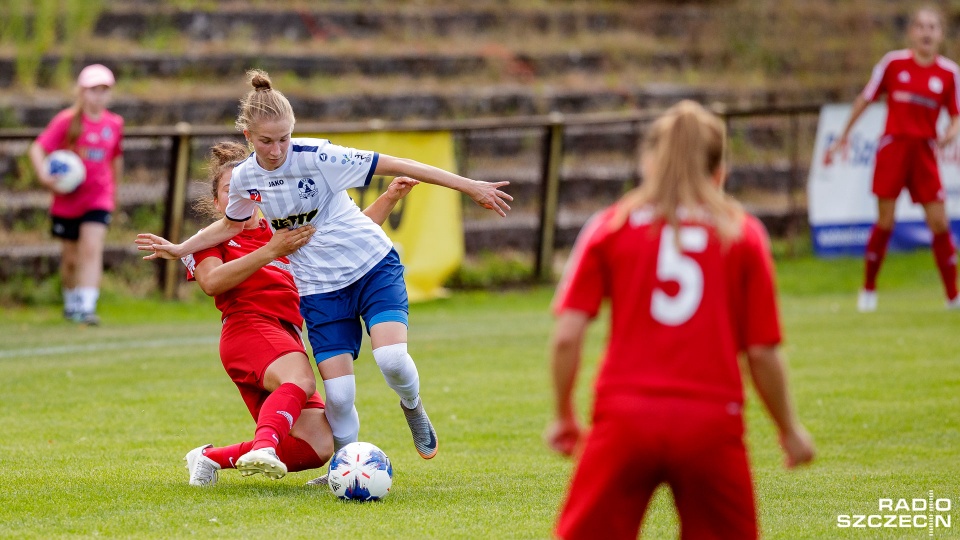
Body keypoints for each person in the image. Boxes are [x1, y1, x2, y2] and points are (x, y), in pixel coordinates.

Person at [137, 69, 512, 465]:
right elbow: (230, 223)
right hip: (319, 288)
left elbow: (398, 162)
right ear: (248, 138)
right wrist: (181, 249)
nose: (277, 149)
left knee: (392, 360)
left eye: (284, 138)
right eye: (266, 141)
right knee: (339, 396)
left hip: (371, 265)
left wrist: (470, 186)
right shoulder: (246, 177)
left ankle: (412, 405)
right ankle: (345, 469)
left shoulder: (317, 155)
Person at [546, 100, 815, 539]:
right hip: (712, 421)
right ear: (720, 170)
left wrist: (563, 415)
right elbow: (762, 352)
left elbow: (566, 337)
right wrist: (789, 429)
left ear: (648, 161)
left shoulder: (610, 226)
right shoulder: (743, 233)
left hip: (625, 417)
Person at [140, 142, 418, 485]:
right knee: (300, 380)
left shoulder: (282, 227)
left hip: (286, 334)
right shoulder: (211, 241)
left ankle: (208, 457)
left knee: (317, 445)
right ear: (216, 202)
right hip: (248, 329)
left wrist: (390, 195)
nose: (238, 195)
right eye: (228, 190)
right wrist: (270, 252)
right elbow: (210, 282)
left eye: (245, 189)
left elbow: (347, 235)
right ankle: (264, 447)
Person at [829, 6, 960, 312]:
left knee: (939, 222)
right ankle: (868, 289)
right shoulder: (892, 63)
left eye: (933, 27)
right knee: (885, 220)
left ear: (940, 35)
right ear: (912, 32)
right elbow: (866, 97)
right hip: (894, 148)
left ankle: (953, 295)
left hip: (925, 152)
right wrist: (844, 134)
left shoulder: (950, 74)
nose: (926, 32)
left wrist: (952, 133)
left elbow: (956, 115)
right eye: (921, 26)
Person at [28, 64, 124, 325]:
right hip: (68, 200)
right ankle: (71, 303)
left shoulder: (114, 124)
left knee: (91, 249)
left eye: (104, 90)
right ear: (82, 92)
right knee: (70, 259)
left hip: (98, 198)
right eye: (94, 90)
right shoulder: (66, 121)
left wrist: (114, 193)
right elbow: (37, 148)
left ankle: (87, 306)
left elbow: (115, 159)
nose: (99, 95)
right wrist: (44, 176)